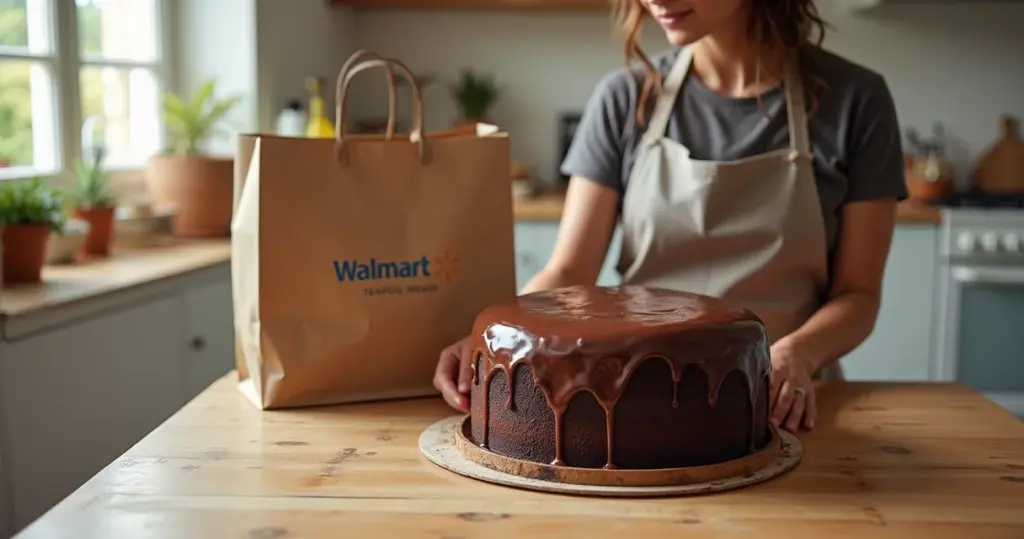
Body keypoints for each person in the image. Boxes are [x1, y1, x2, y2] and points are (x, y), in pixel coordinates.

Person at [433, 0, 906, 434]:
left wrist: (797, 355)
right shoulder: (626, 97)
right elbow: (570, 271)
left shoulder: (856, 101)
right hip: (636, 402)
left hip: (782, 404)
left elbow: (858, 296)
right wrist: (490, 339)